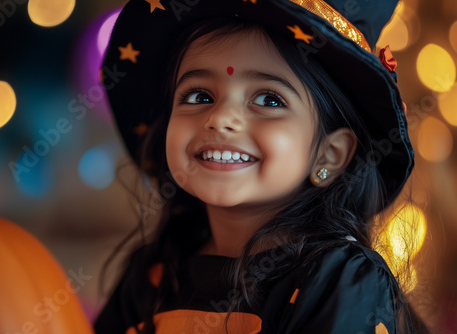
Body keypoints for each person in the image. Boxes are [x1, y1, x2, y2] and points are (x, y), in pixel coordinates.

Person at [94, 0, 429, 333]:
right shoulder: (151, 273)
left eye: (269, 100)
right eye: (198, 96)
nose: (220, 118)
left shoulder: (339, 278)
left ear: (330, 154)